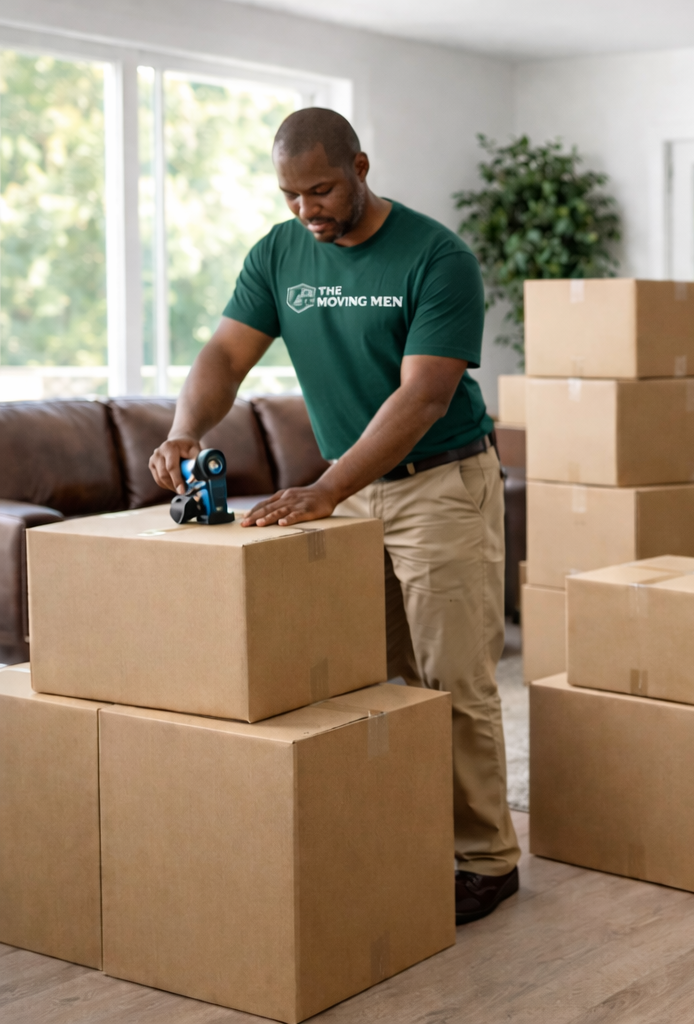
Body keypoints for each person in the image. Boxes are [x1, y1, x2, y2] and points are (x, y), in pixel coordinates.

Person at [149, 108, 521, 926]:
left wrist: (325, 488)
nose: (306, 210)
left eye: (320, 190)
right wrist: (185, 428)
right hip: (350, 491)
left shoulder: (437, 257)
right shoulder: (279, 253)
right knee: (362, 672)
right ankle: (401, 830)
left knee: (450, 675)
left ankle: (486, 859)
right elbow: (225, 355)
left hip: (438, 482)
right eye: (290, 195)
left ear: (359, 166)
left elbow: (424, 397)